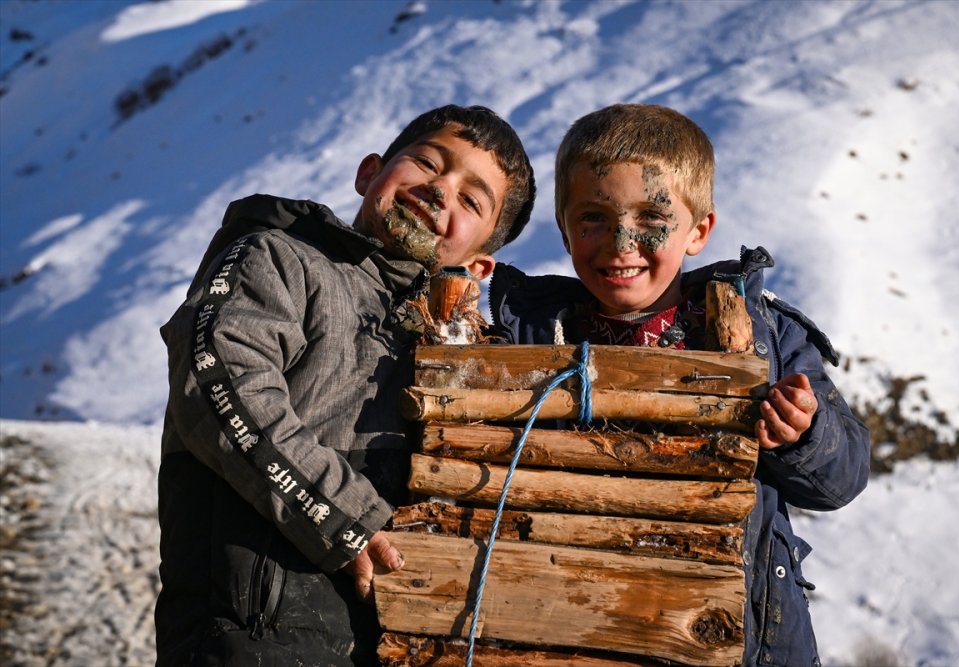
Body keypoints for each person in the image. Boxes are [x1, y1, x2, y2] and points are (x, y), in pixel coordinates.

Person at [488, 103, 869, 666]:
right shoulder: (530, 328)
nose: (621, 243)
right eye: (593, 217)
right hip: (577, 622)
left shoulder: (764, 333)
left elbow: (842, 477)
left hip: (729, 629)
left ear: (700, 230)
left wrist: (803, 434)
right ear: (565, 231)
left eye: (650, 217)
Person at [155, 104, 535, 666]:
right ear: (369, 173)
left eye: (471, 200)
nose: (440, 191)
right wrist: (349, 519)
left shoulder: (455, 347)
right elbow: (221, 384)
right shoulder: (279, 260)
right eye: (428, 163)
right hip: (249, 635)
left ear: (480, 266)